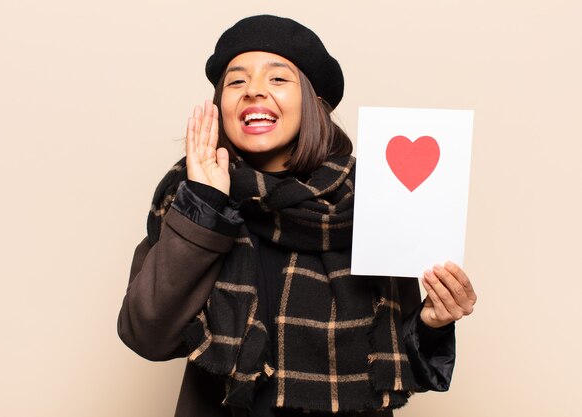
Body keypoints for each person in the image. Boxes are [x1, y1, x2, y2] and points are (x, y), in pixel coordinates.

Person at [117, 14, 476, 417]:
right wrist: (203, 205)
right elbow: (147, 336)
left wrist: (433, 322)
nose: (253, 91)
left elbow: (394, 363)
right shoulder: (190, 196)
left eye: (277, 79)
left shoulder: (372, 198)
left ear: (313, 102)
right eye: (236, 82)